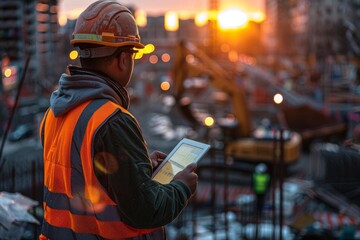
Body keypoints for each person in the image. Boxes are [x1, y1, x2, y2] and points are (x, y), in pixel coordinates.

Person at [38, 1, 198, 239]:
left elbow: (88, 177)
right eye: (133, 55)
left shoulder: (54, 114)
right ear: (123, 59)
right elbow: (146, 211)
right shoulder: (111, 121)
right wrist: (182, 186)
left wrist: (137, 166)